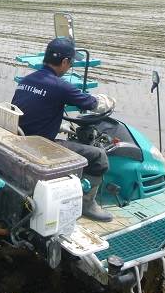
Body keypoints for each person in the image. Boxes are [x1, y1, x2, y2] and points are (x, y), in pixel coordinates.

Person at [11, 37, 115, 222]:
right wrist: (110, 101)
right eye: (71, 63)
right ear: (65, 62)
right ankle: (87, 204)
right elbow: (92, 104)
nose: (69, 67)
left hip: (22, 139)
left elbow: (32, 111)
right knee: (99, 157)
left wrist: (60, 125)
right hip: (40, 148)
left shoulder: (27, 80)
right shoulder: (61, 87)